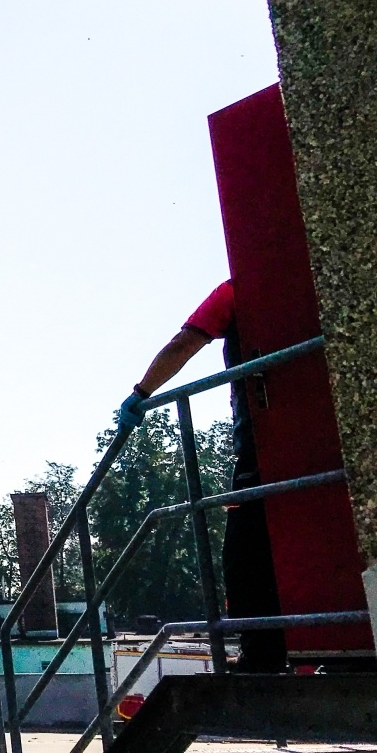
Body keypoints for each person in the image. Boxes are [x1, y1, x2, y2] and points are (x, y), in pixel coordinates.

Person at [115, 279, 286, 673]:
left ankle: (263, 653)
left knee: (245, 553)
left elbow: (184, 344)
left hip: (262, 446)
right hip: (319, 439)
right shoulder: (310, 284)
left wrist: (141, 393)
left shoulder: (238, 290)